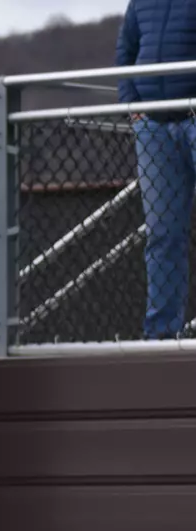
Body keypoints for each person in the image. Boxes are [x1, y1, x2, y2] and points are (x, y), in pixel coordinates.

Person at [117, 0, 196, 338]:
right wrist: (131, 105)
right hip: (153, 127)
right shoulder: (140, 2)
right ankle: (161, 337)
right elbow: (125, 51)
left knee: (165, 237)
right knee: (163, 236)